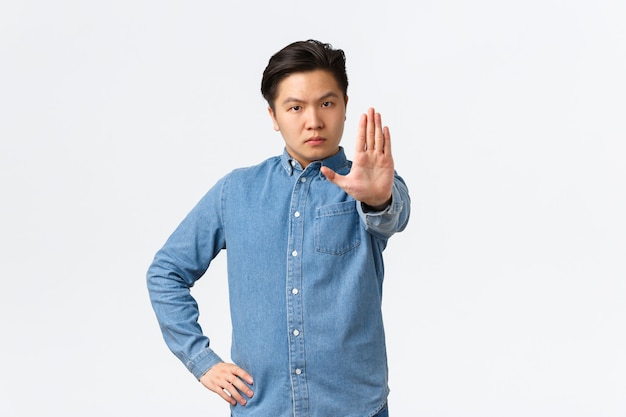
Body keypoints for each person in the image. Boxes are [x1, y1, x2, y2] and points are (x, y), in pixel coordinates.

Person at [147, 39, 411, 417]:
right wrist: (200, 359)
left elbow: (393, 214)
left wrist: (377, 198)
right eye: (295, 107)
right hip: (263, 408)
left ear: (344, 106)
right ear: (273, 116)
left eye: (326, 103)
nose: (314, 121)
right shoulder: (235, 191)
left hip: (355, 408)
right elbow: (166, 271)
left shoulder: (368, 183)